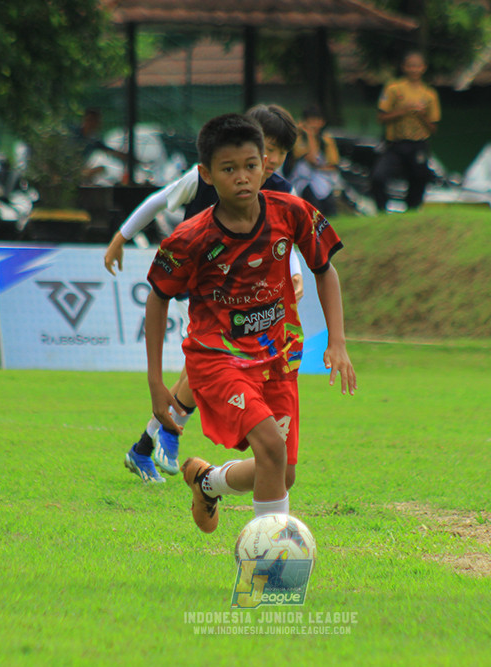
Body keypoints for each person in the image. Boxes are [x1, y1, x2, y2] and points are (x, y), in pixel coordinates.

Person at [145, 113, 356, 533]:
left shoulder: (291, 212)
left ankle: (208, 482)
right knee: (271, 447)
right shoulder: (191, 238)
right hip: (218, 359)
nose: (242, 178)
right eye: (229, 169)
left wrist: (337, 341)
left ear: (265, 164)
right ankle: (268, 562)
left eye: (251, 166)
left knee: (280, 470)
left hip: (277, 358)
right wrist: (155, 381)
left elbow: (324, 269)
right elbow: (158, 297)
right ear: (206, 174)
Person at [105, 104, 302, 485]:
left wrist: (294, 274)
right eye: (269, 147)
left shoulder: (280, 191)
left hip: (246, 299)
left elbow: (287, 238)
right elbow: (159, 201)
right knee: (205, 364)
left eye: (280, 151)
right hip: (201, 287)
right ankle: (165, 437)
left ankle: (146, 446)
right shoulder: (208, 175)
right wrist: (121, 237)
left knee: (205, 367)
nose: (272, 158)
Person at [370, 51, 440, 213]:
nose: (414, 70)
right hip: (395, 143)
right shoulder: (393, 89)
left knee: (420, 178)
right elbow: (381, 117)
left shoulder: (429, 94)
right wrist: (404, 110)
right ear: (404, 68)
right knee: (378, 177)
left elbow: (434, 128)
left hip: (418, 144)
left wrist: (421, 115)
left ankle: (411, 212)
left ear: (423, 68)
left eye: (417, 66)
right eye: (410, 66)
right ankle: (381, 210)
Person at [290, 105, 340, 216]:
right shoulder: (298, 138)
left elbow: (333, 164)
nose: (314, 124)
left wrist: (319, 168)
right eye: (310, 121)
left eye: (317, 121)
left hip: (323, 179)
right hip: (302, 180)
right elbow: (312, 159)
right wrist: (310, 135)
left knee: (330, 205)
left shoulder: (326, 139)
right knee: (314, 205)